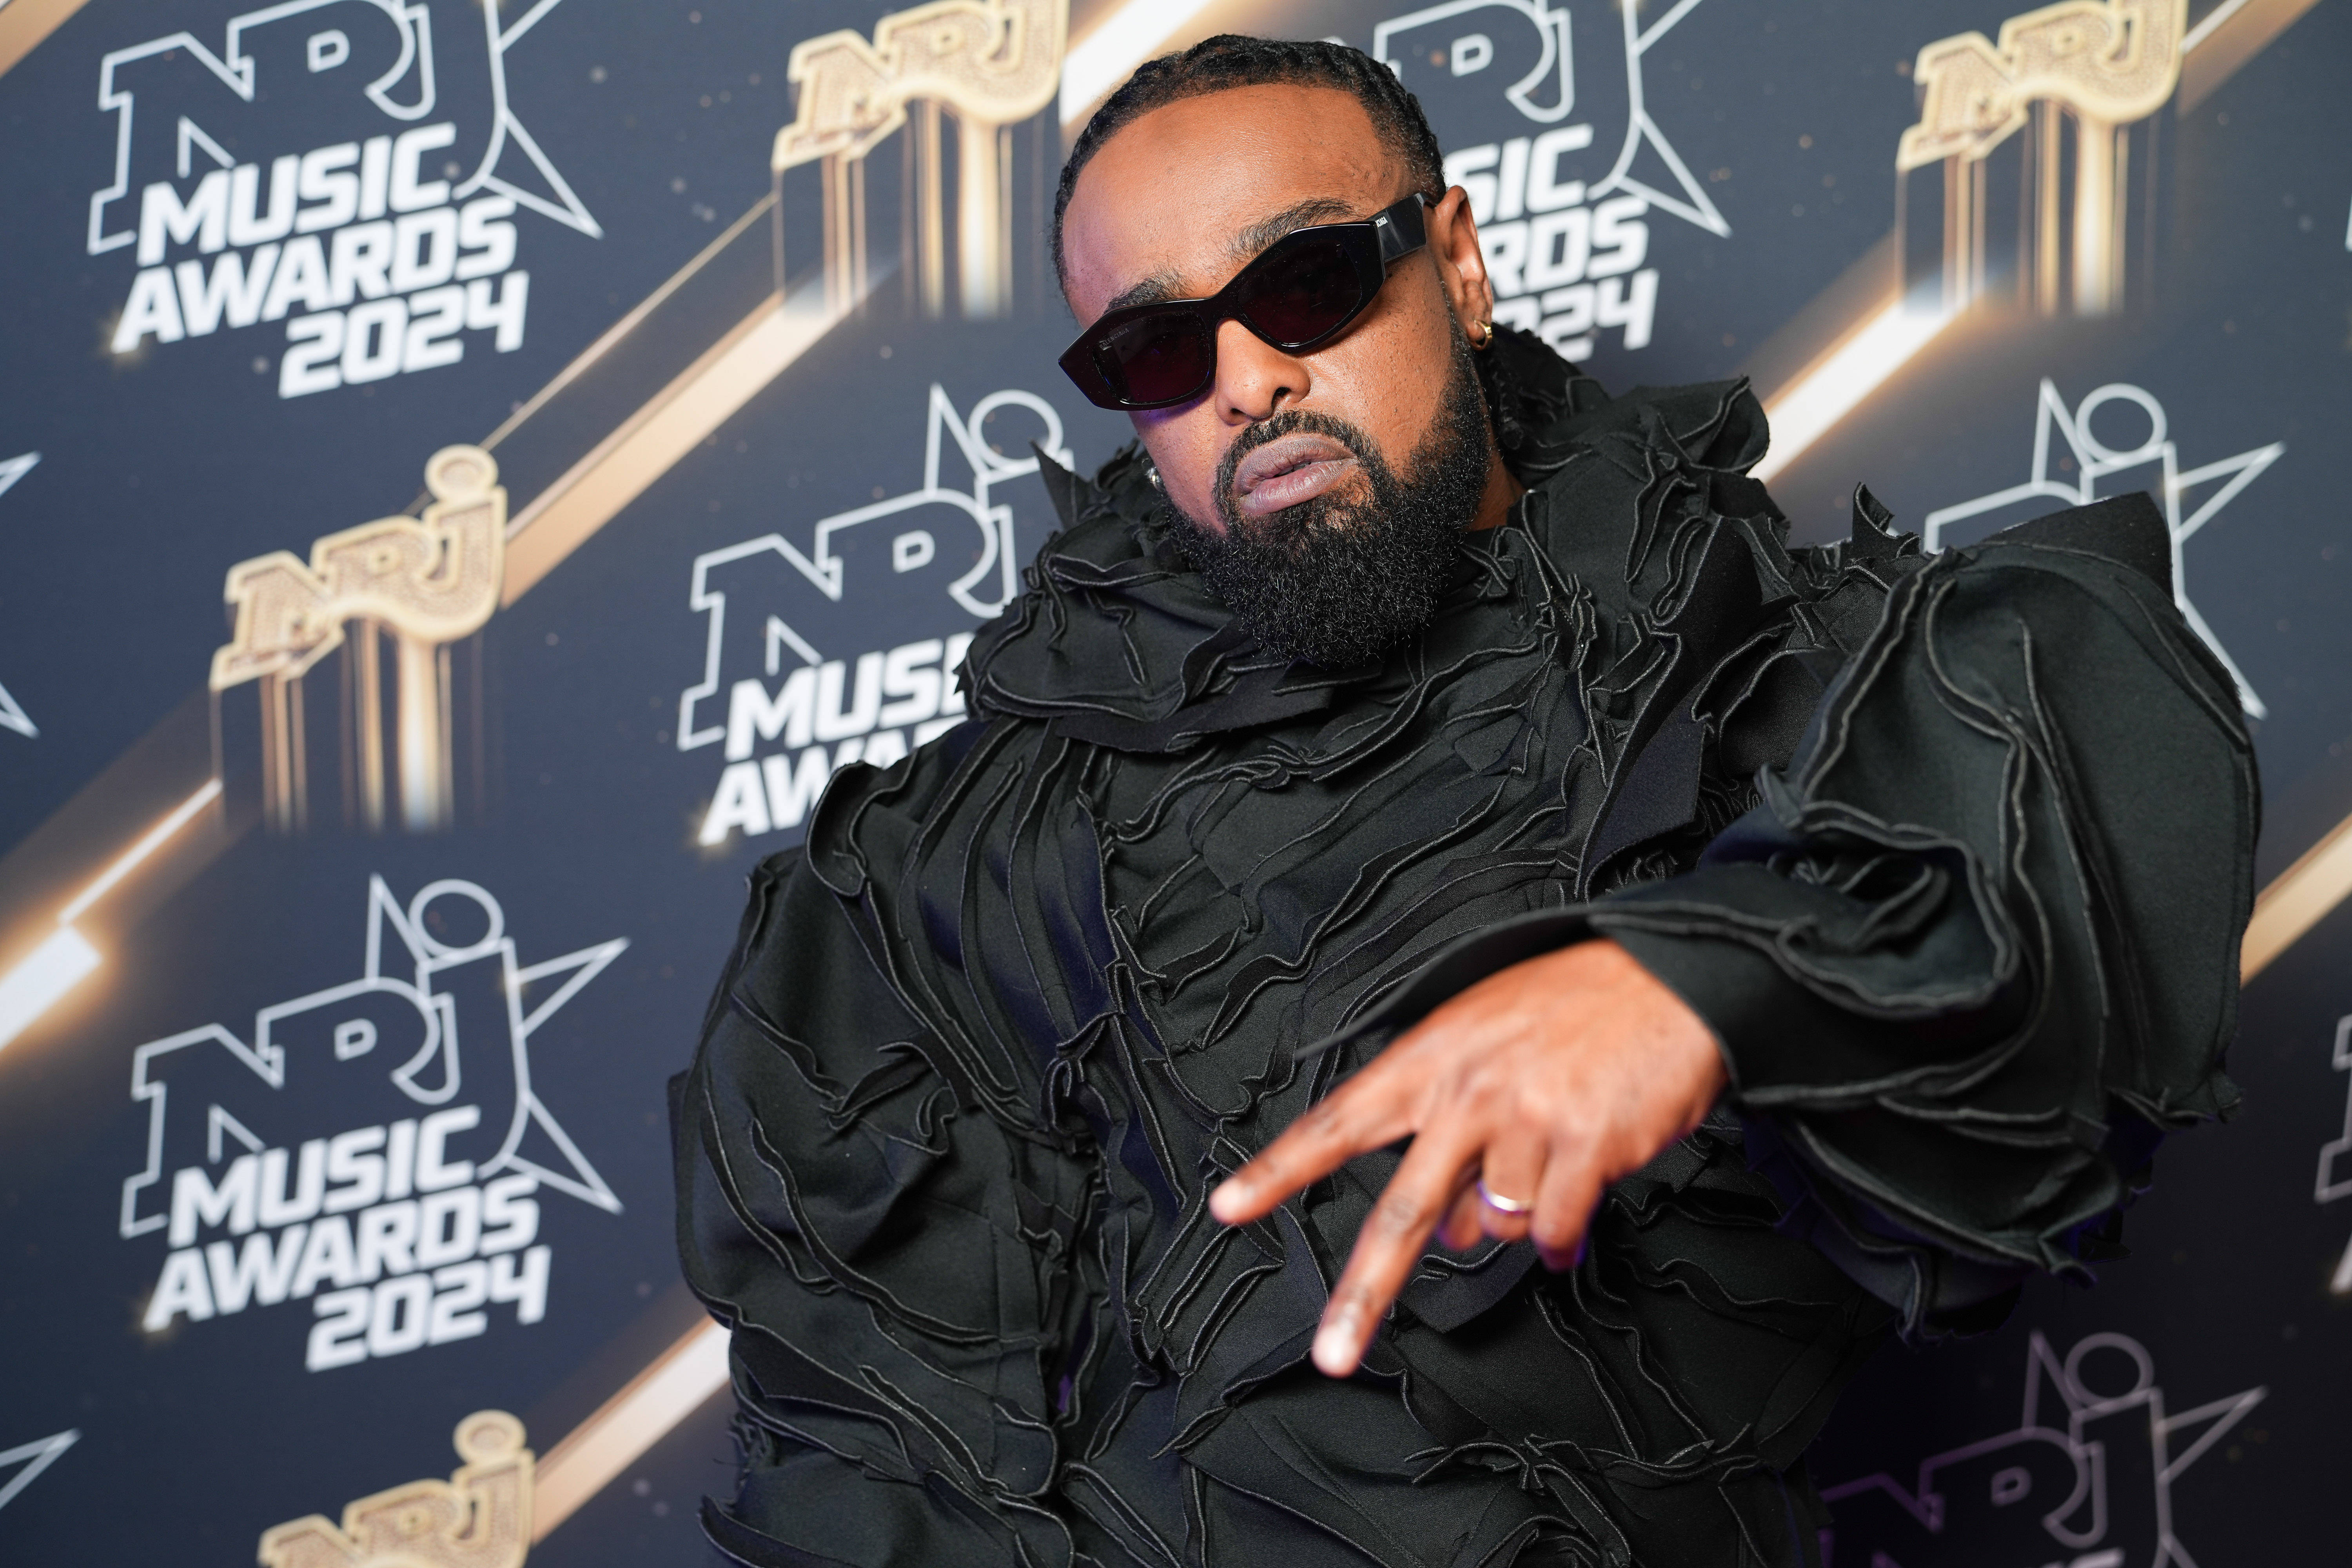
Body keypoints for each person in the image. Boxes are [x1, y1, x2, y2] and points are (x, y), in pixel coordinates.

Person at [673, 36, 2254, 1568]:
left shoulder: (1758, 676)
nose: (1249, 379)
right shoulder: (972, 856)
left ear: (1458, 262)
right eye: (1155, 351)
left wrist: (1704, 973)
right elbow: (871, 1443)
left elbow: (2077, 806)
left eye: (1308, 282)